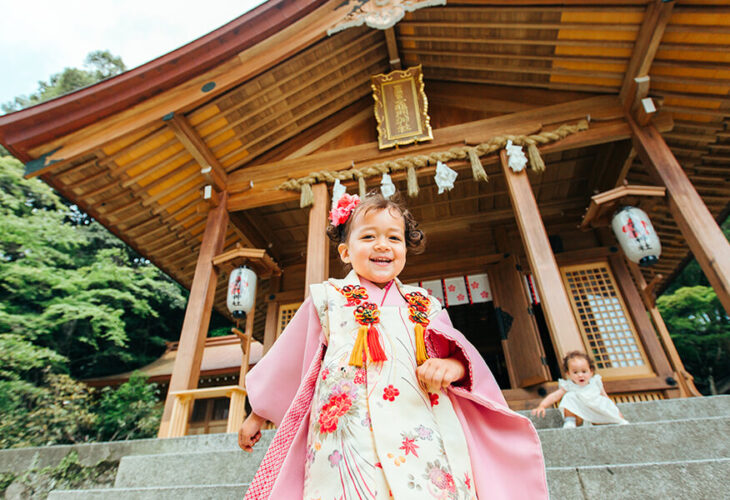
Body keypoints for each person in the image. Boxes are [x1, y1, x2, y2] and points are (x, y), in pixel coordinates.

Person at [239, 192, 548, 499]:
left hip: (420, 426)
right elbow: (292, 359)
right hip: (348, 430)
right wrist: (259, 412)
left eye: (394, 238)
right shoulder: (328, 298)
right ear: (345, 252)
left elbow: (455, 355)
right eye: (369, 236)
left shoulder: (424, 304)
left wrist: (450, 367)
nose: (382, 245)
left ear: (405, 249)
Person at [532, 351, 629, 428]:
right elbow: (555, 396)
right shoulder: (569, 385)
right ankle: (570, 421)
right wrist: (542, 405)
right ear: (568, 374)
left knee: (604, 403)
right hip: (580, 413)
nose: (580, 375)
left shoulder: (595, 382)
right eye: (575, 372)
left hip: (596, 408)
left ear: (591, 372)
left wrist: (619, 415)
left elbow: (606, 398)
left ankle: (617, 420)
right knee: (569, 396)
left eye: (584, 371)